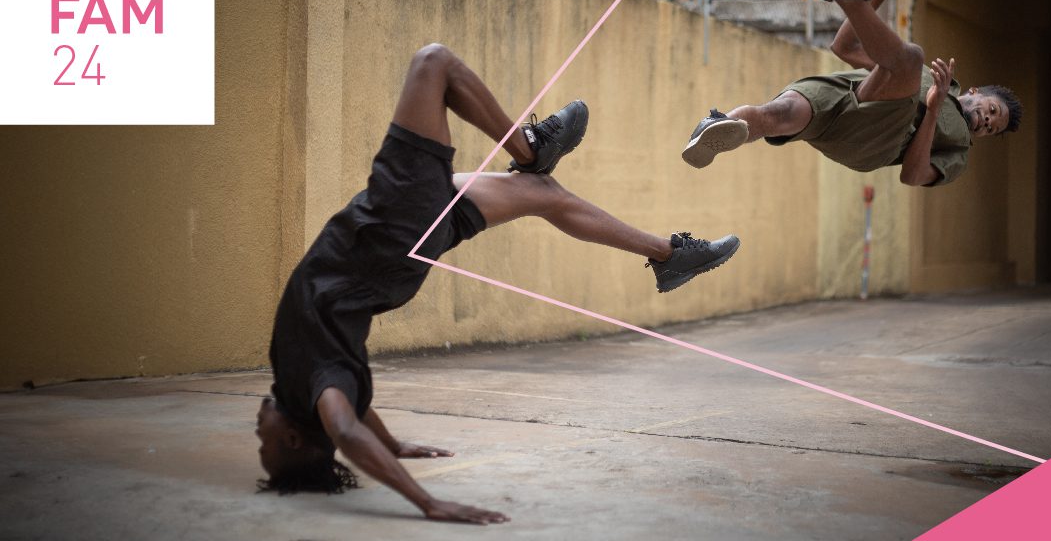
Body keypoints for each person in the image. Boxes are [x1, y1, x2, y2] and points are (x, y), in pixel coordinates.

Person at [256, 43, 740, 524]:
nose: (259, 428)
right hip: (389, 227)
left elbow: (355, 418)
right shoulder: (319, 386)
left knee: (542, 194)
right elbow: (345, 429)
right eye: (266, 443)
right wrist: (429, 503)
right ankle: (530, 148)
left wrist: (395, 444)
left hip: (394, 250)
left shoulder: (308, 387)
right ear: (294, 439)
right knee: (433, 63)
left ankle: (670, 257)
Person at [681, 0, 1022, 187]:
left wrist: (932, 111)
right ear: (976, 92)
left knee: (910, 57)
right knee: (777, 114)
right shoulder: (927, 77)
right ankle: (714, 127)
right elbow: (843, 47)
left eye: (992, 128)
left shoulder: (959, 150)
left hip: (870, 142)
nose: (986, 122)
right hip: (846, 96)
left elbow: (913, 175)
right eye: (992, 110)